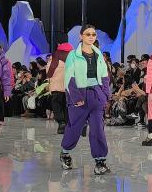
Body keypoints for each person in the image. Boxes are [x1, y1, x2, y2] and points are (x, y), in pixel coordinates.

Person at [59, 25, 112, 175]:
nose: (91, 37)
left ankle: (100, 161)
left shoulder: (98, 54)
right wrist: (76, 97)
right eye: (88, 34)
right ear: (81, 36)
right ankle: (65, 152)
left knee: (98, 129)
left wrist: (105, 95)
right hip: (79, 96)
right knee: (74, 128)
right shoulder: (73, 55)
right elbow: (69, 77)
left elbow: (104, 76)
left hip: (96, 95)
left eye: (93, 34)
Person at [46, 43, 73, 134]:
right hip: (68, 88)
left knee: (57, 106)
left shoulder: (54, 58)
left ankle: (61, 123)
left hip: (56, 87)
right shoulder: (72, 59)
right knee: (66, 106)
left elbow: (49, 72)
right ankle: (67, 124)